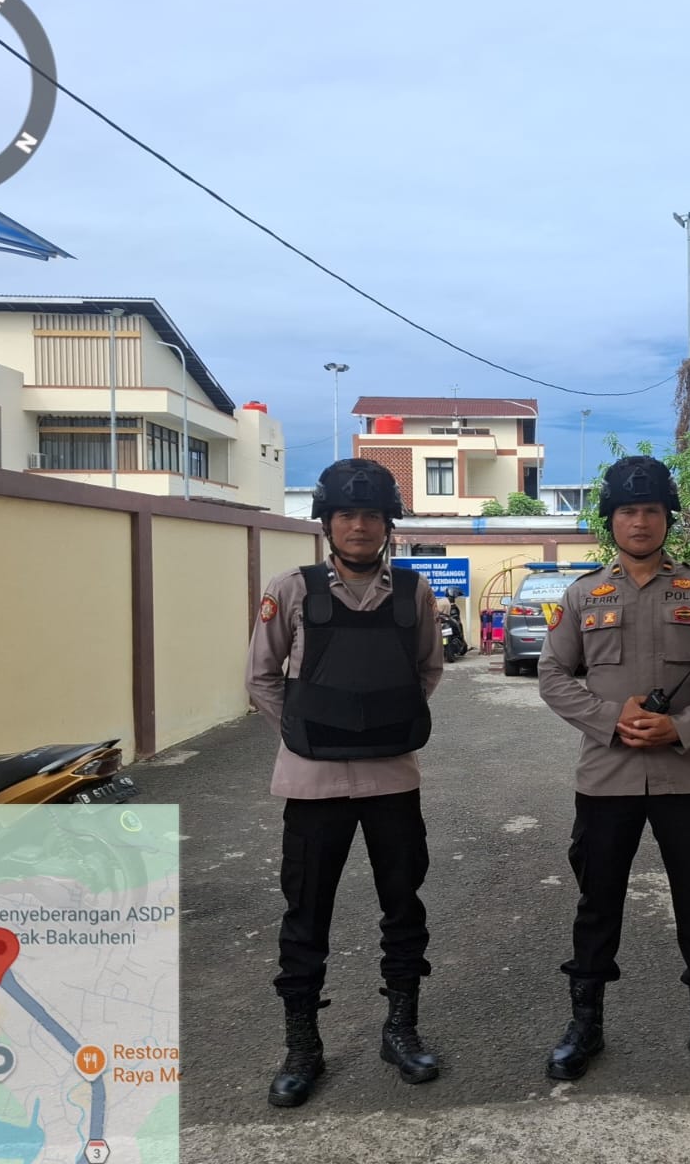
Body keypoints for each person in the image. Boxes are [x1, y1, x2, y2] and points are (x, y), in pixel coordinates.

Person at [537, 455, 690, 1082]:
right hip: (607, 776)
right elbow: (552, 674)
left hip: (686, 775)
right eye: (628, 510)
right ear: (611, 519)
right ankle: (585, 1025)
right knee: (597, 902)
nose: (640, 521)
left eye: (651, 510)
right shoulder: (582, 594)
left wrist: (682, 726)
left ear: (667, 518)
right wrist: (612, 718)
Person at [245, 457, 445, 1107]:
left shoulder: (413, 592)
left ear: (388, 525)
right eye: (346, 515)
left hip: (393, 779)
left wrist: (379, 722)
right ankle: (302, 1047)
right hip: (311, 784)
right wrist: (307, 732)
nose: (359, 526)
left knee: (403, 908)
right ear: (326, 523)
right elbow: (261, 677)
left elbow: (427, 671)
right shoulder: (291, 589)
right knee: (305, 916)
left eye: (372, 516)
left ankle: (401, 1030)